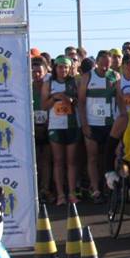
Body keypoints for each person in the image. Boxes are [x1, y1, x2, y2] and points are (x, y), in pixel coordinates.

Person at [77, 50, 119, 202]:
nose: (105, 68)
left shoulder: (115, 76)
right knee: (92, 157)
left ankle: (110, 187)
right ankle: (95, 189)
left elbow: (120, 100)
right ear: (97, 63)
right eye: (103, 65)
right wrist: (84, 124)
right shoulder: (88, 77)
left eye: (108, 65)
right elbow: (81, 102)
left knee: (111, 156)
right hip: (92, 123)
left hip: (110, 123)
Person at [42, 55, 80, 205]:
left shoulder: (75, 81)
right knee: (58, 161)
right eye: (60, 67)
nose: (63, 70)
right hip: (56, 126)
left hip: (72, 125)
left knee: (71, 162)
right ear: (55, 68)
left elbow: (81, 101)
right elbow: (44, 106)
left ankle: (71, 193)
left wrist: (71, 100)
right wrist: (55, 97)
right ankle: (60, 194)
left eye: (66, 67)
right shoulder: (49, 83)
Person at [31, 55, 52, 201]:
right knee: (35, 160)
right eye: (34, 72)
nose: (37, 75)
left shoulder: (50, 87)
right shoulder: (27, 90)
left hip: (48, 127)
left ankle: (45, 189)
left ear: (45, 72)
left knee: (46, 159)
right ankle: (35, 190)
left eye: (39, 71)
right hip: (32, 129)